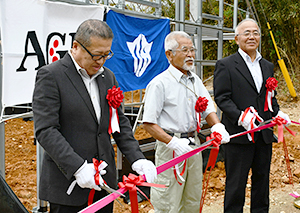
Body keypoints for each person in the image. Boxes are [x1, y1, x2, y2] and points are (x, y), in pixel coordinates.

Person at [32, 19, 157, 213]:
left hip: (104, 184)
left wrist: (137, 158)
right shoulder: (51, 75)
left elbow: (119, 122)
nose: (100, 62)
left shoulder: (108, 76)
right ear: (76, 46)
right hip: (69, 186)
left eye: (106, 55)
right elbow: (46, 130)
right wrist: (78, 167)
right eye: (96, 56)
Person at [142, 31, 230, 213]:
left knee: (192, 198)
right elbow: (149, 123)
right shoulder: (160, 84)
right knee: (167, 201)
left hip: (194, 146)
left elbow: (207, 108)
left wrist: (217, 126)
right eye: (185, 50)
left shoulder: (194, 80)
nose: (190, 55)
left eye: (192, 50)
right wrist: (172, 142)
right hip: (170, 148)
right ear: (169, 54)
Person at [213, 18, 291, 212]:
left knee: (262, 183)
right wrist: (241, 117)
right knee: (236, 186)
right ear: (236, 38)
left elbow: (269, 97)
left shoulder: (267, 66)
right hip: (239, 136)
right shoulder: (226, 65)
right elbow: (222, 98)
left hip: (263, 136)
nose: (251, 37)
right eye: (246, 33)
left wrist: (278, 112)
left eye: (255, 33)